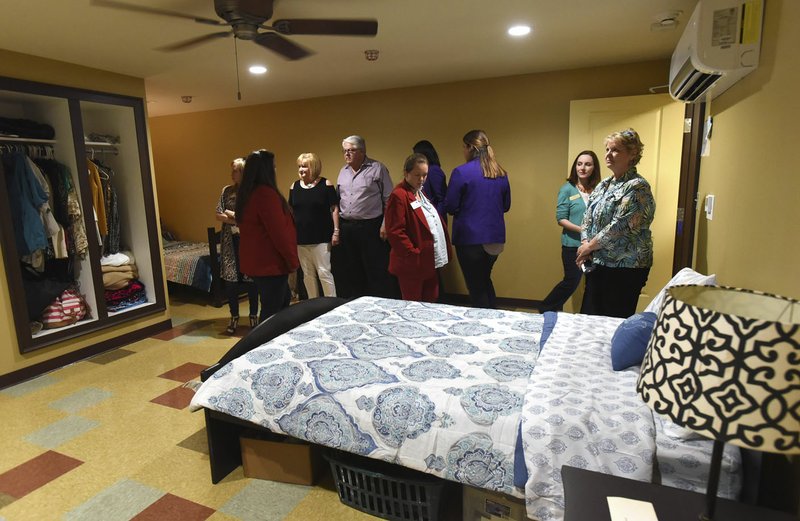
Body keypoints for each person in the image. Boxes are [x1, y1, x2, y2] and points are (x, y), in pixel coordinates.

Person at [577, 128, 655, 318]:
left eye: (615, 150)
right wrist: (585, 242)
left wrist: (588, 248)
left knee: (612, 322)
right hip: (599, 263)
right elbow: (588, 218)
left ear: (632, 154)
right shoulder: (604, 184)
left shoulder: (638, 187)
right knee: (591, 319)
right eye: (607, 149)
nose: (608, 155)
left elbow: (619, 226)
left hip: (625, 268)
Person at [444, 129, 511, 309]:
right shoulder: (501, 173)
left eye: (463, 147)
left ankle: (485, 326)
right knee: (483, 280)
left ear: (470, 147)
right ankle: (494, 316)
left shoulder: (461, 172)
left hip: (470, 238)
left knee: (476, 287)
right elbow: (506, 206)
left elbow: (450, 206)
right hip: (495, 240)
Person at [235, 150, 299, 323]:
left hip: (259, 263)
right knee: (272, 312)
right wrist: (292, 261)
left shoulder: (247, 193)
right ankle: (262, 346)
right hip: (270, 264)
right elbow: (279, 233)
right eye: (274, 167)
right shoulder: (265, 194)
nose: (276, 170)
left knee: (281, 303)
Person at [332, 135, 396, 298]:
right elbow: (339, 200)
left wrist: (385, 225)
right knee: (352, 269)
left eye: (351, 150)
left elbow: (389, 200)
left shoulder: (378, 168)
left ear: (362, 152)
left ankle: (378, 302)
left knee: (374, 269)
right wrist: (337, 229)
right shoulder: (342, 172)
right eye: (345, 151)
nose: (347, 154)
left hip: (371, 227)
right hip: (348, 227)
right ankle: (356, 301)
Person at [538, 151, 601, 312]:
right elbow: (561, 219)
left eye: (588, 164)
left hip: (595, 246)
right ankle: (547, 308)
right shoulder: (567, 189)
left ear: (594, 168)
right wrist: (584, 230)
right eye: (579, 164)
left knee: (594, 284)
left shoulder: (599, 189)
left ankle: (586, 315)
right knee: (571, 281)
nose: (583, 168)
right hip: (572, 244)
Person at [385, 153, 450, 302]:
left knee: (431, 301)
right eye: (417, 175)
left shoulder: (420, 192)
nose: (421, 179)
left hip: (428, 260)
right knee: (413, 305)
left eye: (424, 175)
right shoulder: (399, 195)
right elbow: (395, 231)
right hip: (413, 263)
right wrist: (413, 254)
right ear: (406, 173)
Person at [215, 157, 259, 334]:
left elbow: (252, 216)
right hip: (229, 241)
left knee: (251, 280)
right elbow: (218, 214)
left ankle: (253, 316)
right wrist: (236, 217)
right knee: (231, 280)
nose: (232, 174)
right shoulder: (226, 191)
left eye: (235, 170)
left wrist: (231, 214)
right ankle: (234, 316)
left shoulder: (253, 191)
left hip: (249, 241)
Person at [288, 152, 339, 298]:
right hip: (301, 238)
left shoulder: (325, 184)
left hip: (321, 237)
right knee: (307, 275)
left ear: (313, 167)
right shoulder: (294, 186)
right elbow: (291, 210)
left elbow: (334, 209)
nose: (301, 170)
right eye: (299, 166)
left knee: (324, 272)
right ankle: (313, 305)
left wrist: (336, 231)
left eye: (304, 166)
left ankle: (331, 304)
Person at [413, 140, 447, 219]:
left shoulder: (433, 170)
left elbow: (441, 199)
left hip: (433, 217)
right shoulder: (426, 170)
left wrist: (437, 218)